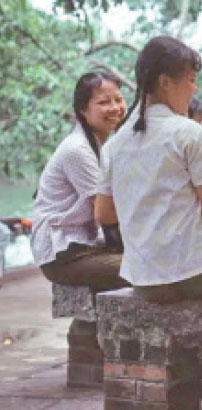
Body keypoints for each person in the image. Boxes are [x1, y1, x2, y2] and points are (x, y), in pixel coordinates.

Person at [93, 36, 202, 409]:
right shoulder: (189, 132)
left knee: (176, 321)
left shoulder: (115, 143)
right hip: (200, 266)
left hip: (146, 277)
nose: (194, 89)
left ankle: (183, 394)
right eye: (190, 79)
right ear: (165, 82)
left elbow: (104, 215)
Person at [31, 71, 129, 292]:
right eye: (104, 102)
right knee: (147, 268)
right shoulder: (78, 150)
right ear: (83, 110)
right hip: (64, 252)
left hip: (85, 243)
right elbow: (106, 213)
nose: (115, 108)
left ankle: (86, 327)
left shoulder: (102, 146)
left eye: (119, 99)